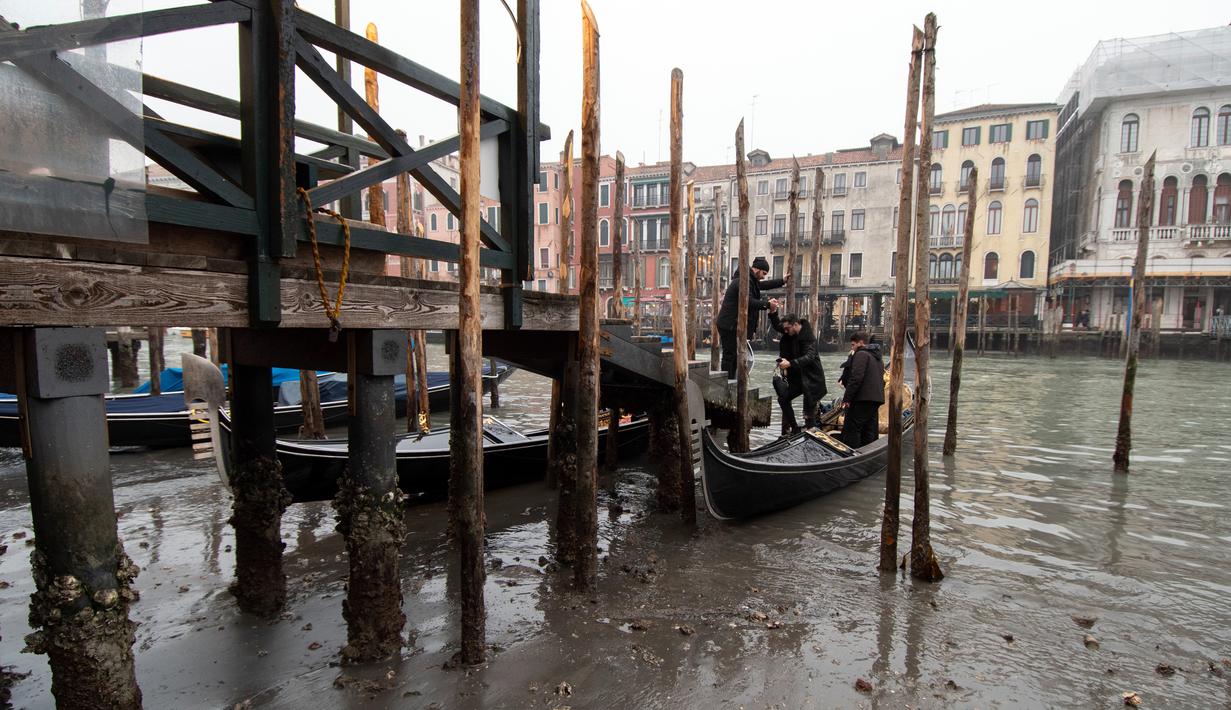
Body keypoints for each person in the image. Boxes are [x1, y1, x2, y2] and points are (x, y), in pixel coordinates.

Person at [715, 256, 788, 379]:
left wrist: (782, 281)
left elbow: (763, 285)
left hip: (732, 324)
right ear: (757, 269)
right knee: (730, 355)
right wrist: (767, 304)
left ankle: (730, 381)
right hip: (729, 324)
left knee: (733, 355)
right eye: (763, 273)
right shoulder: (742, 281)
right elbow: (748, 301)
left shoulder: (749, 280)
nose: (764, 276)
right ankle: (727, 383)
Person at [767, 301, 827, 435]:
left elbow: (810, 356)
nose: (785, 331)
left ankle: (810, 432)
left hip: (811, 380)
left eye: (788, 328)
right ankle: (794, 428)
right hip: (798, 378)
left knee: (808, 411)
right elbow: (778, 326)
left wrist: (790, 363)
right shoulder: (790, 331)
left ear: (795, 324)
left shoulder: (808, 337)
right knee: (783, 399)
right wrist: (773, 313)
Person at [840, 331, 885, 448]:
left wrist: (846, 399)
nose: (852, 348)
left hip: (862, 399)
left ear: (861, 343)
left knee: (853, 427)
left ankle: (852, 454)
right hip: (876, 399)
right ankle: (868, 453)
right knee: (869, 429)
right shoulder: (878, 358)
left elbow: (856, 378)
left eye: (853, 345)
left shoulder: (861, 355)